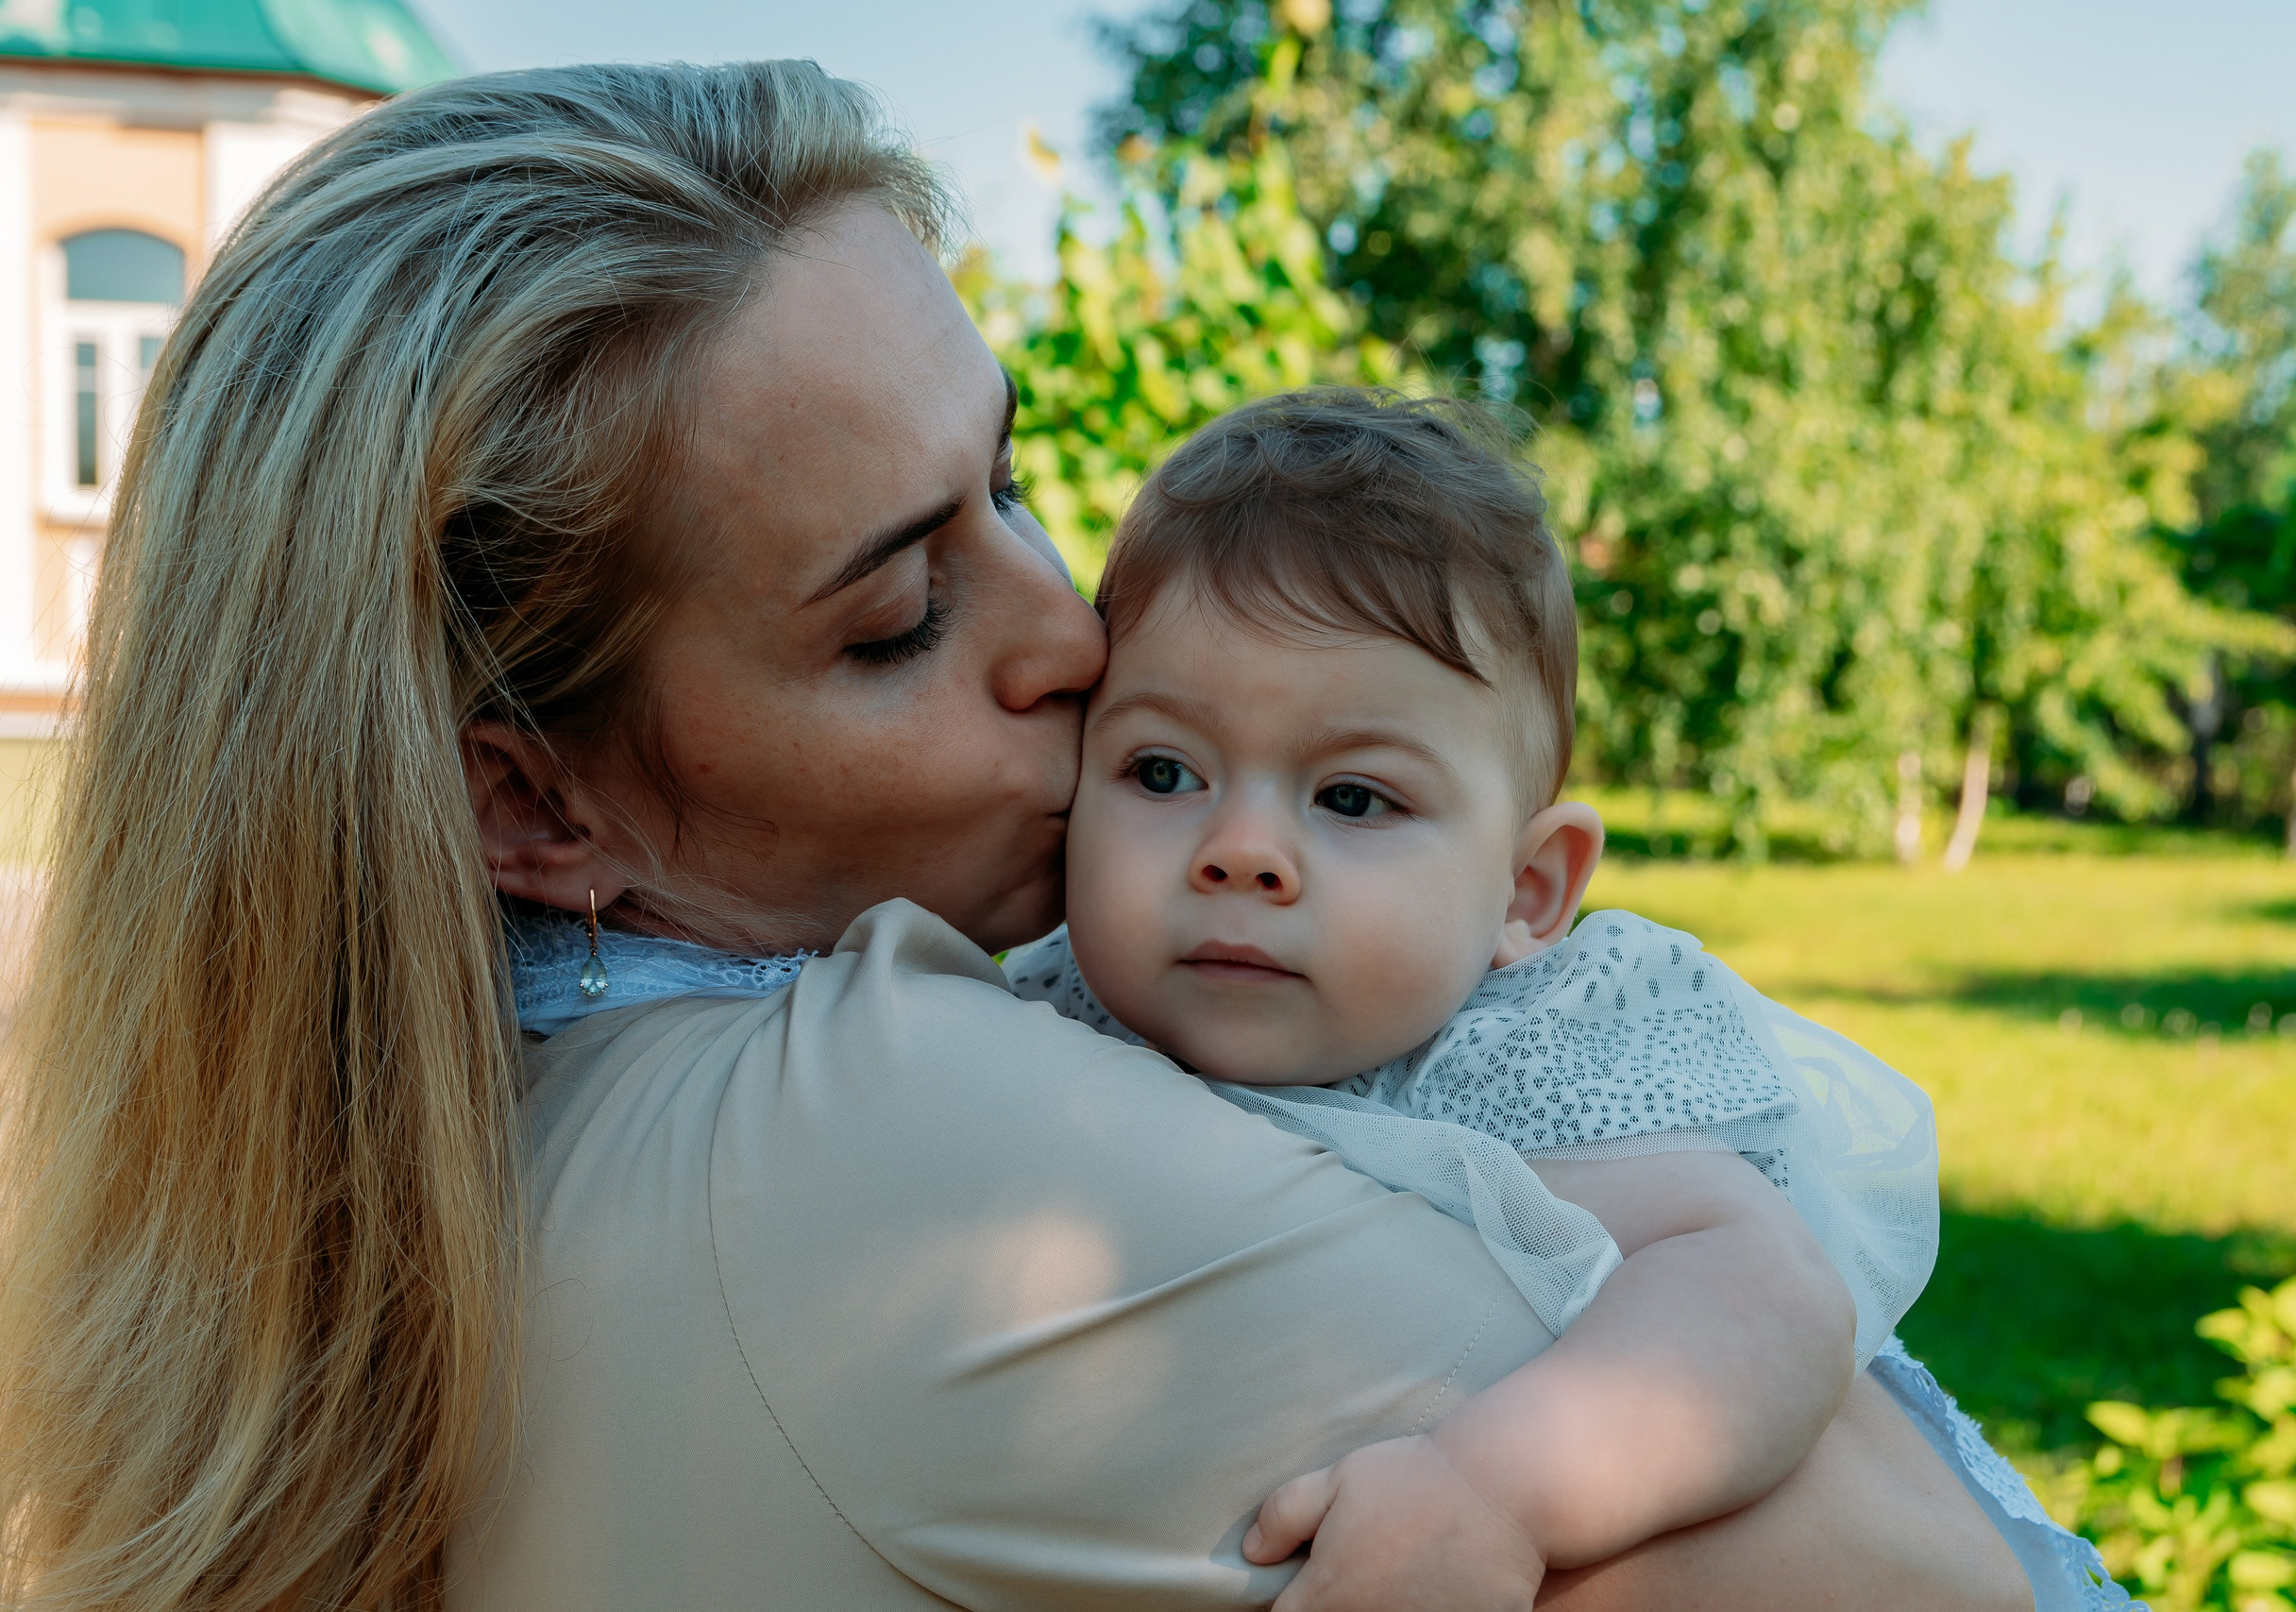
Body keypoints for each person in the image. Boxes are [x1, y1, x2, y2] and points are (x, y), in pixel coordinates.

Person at [0, 58, 2102, 1612]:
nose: (1074, 635)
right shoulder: (885, 1147)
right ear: (526, 796)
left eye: (1012, 487)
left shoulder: (454, 1139)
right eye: (899, 613)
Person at [999, 390, 1947, 1605]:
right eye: (1163, 771)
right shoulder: (1044, 1015)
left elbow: (1764, 1292)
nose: (1239, 851)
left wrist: (1497, 1488)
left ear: (1525, 890)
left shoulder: (1519, 1066)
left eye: (1352, 799)